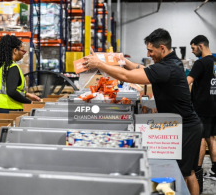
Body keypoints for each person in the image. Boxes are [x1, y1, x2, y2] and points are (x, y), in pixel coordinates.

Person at [83, 28, 202, 195]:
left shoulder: (166, 68)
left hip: (186, 127)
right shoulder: (171, 62)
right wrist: (125, 62)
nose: (148, 54)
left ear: (162, 48)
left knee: (182, 174)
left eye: (150, 50)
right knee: (187, 173)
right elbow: (143, 68)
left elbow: (127, 77)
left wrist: (100, 64)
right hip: (185, 124)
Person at [0, 35, 40, 118]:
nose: (23, 54)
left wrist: (27, 94)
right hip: (9, 109)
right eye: (22, 51)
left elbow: (6, 88)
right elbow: (11, 91)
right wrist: (29, 102)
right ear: (15, 50)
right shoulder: (13, 67)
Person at [187, 35, 216, 180]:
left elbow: (187, 81)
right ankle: (215, 170)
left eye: (193, 48)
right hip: (214, 105)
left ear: (201, 46)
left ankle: (197, 172)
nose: (192, 51)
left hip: (201, 106)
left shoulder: (201, 63)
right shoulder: (215, 62)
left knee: (201, 139)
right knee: (212, 137)